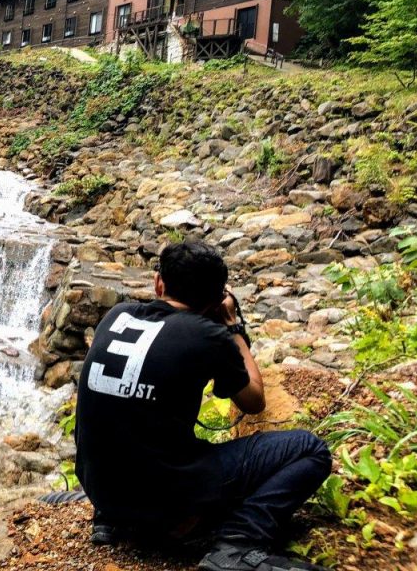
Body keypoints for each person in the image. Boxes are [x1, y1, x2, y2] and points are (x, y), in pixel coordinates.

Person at [73, 240, 332, 571]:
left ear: (158, 283)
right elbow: (254, 400)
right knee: (311, 450)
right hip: (163, 502)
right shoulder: (209, 335)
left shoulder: (117, 315)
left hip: (102, 492)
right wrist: (233, 328)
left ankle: (110, 520)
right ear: (217, 299)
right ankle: (239, 542)